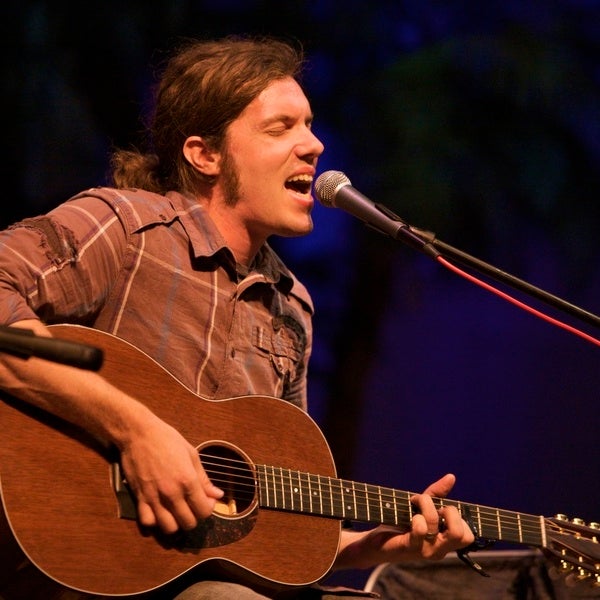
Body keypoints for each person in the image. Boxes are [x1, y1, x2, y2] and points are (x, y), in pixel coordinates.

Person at [0, 35, 474, 599]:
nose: (314, 144)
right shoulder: (126, 227)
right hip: (79, 558)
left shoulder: (292, 307)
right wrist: (135, 429)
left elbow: (268, 525)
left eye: (309, 125)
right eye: (281, 128)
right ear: (205, 155)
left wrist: (373, 547)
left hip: (197, 576)